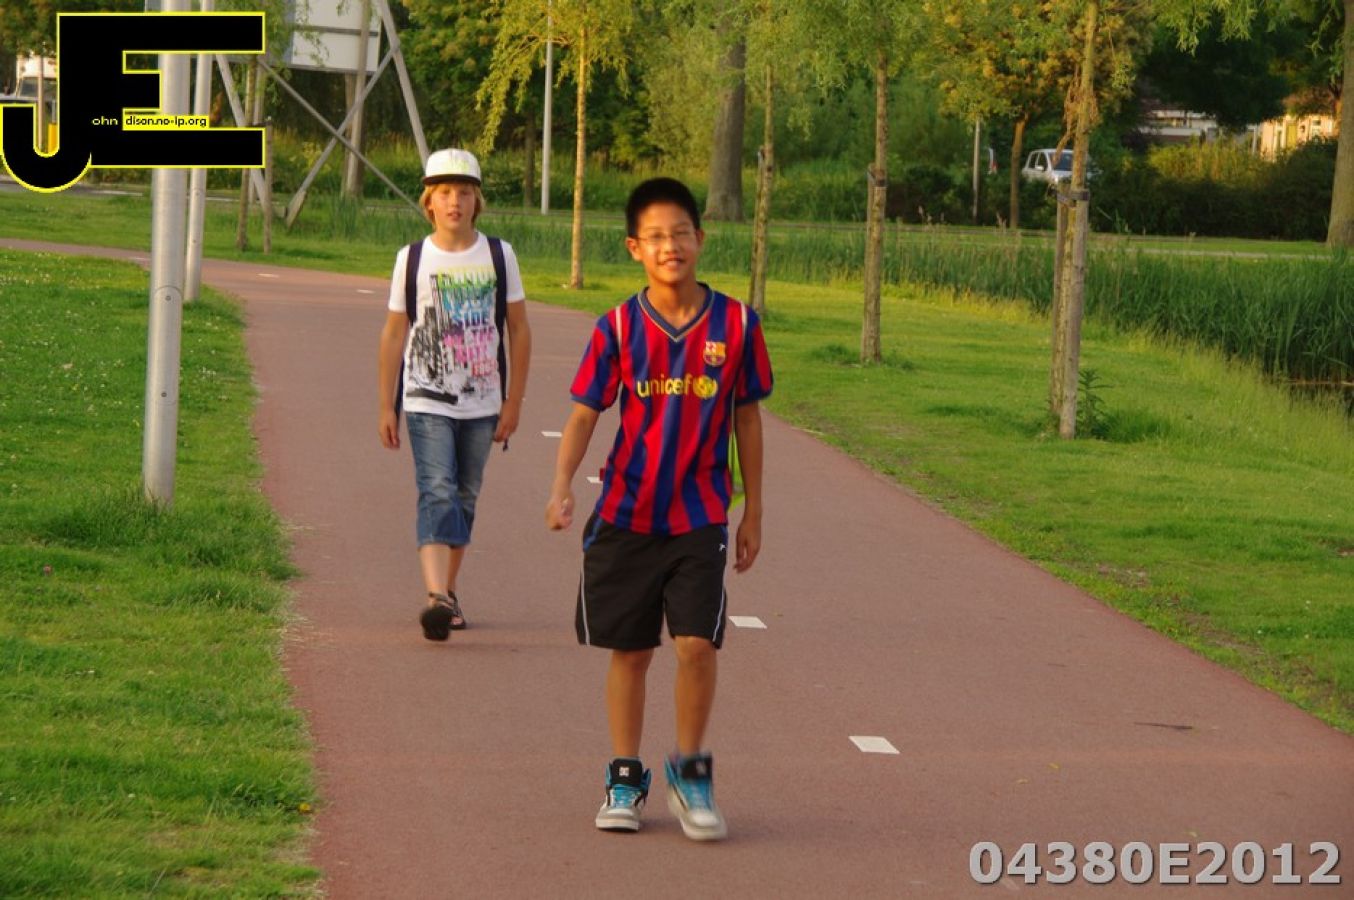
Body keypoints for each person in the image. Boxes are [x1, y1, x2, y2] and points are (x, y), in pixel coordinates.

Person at [545, 177, 773, 841]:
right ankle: (625, 775)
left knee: (696, 644)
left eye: (679, 233)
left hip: (700, 515)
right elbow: (585, 412)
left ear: (700, 238)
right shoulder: (617, 327)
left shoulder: (737, 325)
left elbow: (748, 418)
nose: (669, 246)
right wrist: (562, 483)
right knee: (632, 651)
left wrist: (754, 510)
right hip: (627, 513)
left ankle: (690, 771)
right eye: (654, 237)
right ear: (634, 249)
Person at [378, 148, 532, 641]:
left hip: (483, 401)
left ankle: (447, 593)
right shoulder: (412, 259)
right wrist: (385, 406)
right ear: (429, 201)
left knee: (464, 498)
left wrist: (513, 401)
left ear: (476, 201)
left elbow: (519, 330)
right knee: (437, 489)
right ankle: (436, 597)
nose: (454, 202)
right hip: (425, 397)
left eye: (464, 192)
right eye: (444, 193)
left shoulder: (499, 255)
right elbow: (394, 333)